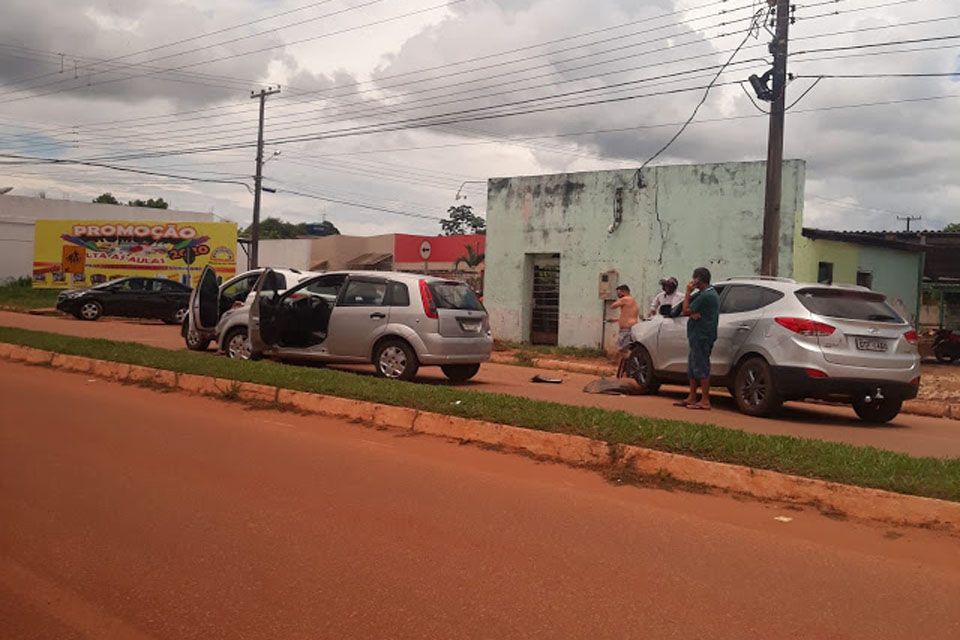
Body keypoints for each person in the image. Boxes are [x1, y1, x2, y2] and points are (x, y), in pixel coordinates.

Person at [677, 267, 720, 410]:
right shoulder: (707, 293)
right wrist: (692, 313)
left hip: (702, 335)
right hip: (697, 335)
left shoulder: (706, 295)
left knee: (701, 366)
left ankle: (705, 400)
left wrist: (688, 292)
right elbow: (691, 312)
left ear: (697, 279)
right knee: (693, 366)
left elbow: (685, 310)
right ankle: (692, 396)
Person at [606, 284, 639, 365]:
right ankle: (623, 368)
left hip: (627, 329)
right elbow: (628, 316)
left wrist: (620, 300)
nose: (618, 296)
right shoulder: (632, 301)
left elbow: (613, 306)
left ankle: (634, 364)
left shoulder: (626, 299)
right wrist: (616, 320)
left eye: (619, 293)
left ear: (624, 292)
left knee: (623, 350)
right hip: (630, 328)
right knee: (623, 350)